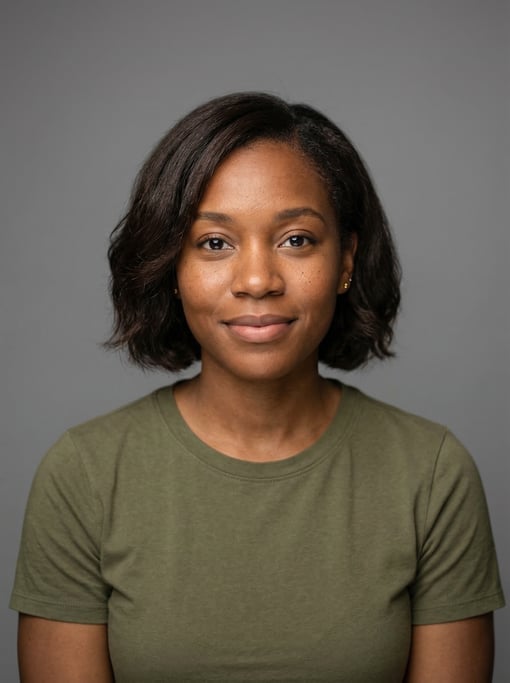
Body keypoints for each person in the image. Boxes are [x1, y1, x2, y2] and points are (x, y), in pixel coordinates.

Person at [10, 92, 504, 682]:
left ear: (345, 259)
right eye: (214, 243)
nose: (257, 280)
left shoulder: (431, 473)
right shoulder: (85, 475)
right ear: (172, 266)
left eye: (295, 239)